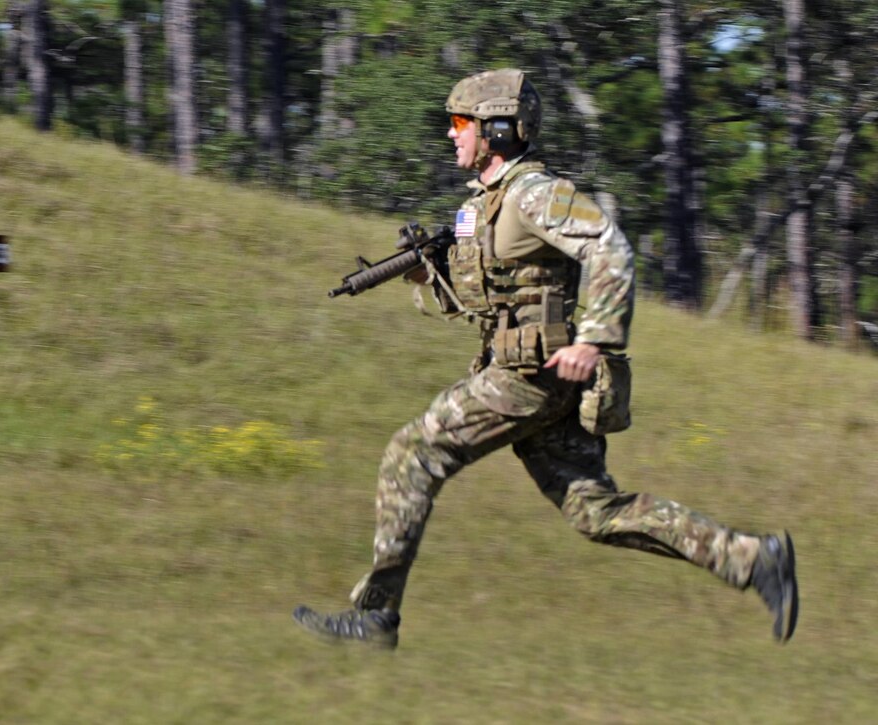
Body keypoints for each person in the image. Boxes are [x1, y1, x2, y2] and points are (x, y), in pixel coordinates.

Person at [292, 68, 798, 649]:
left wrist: (595, 339)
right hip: (537, 378)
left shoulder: (535, 194)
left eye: (460, 124)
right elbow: (490, 296)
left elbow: (610, 248)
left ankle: (375, 614)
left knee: (412, 451)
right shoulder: (480, 206)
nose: (450, 135)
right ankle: (755, 560)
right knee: (595, 512)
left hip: (529, 378)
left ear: (498, 130)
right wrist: (426, 273)